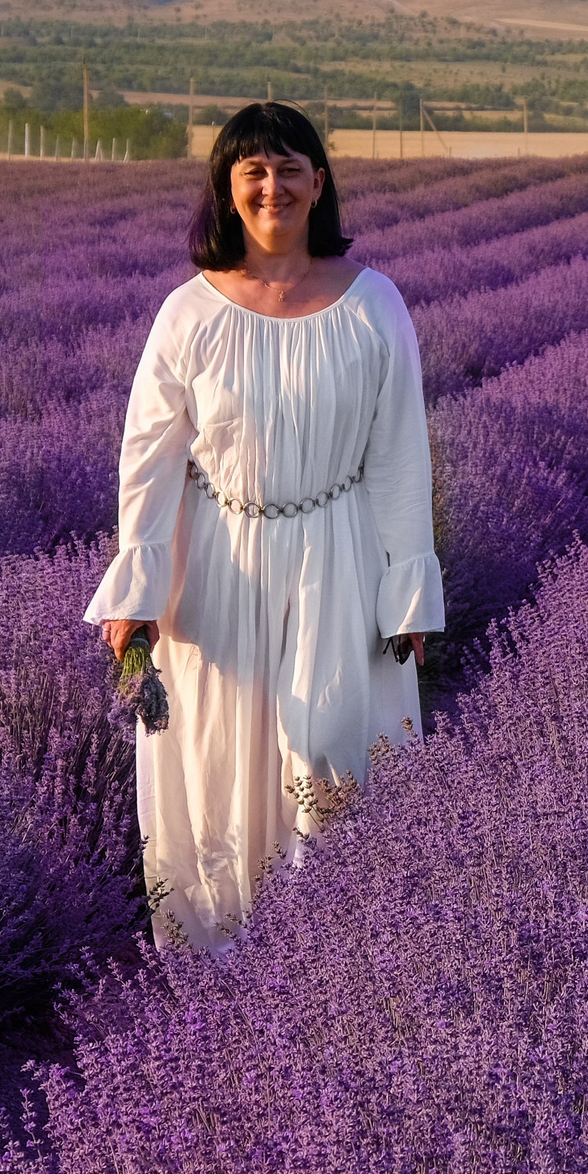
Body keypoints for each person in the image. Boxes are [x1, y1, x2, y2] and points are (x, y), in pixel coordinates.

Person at [86, 102, 442, 953]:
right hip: (218, 563)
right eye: (253, 172)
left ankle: (336, 956)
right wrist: (137, 587)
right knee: (220, 767)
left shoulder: (374, 304)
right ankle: (227, 970)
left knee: (329, 751)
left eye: (289, 169)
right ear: (227, 189)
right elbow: (149, 456)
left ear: (319, 184)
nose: (272, 187)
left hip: (338, 554)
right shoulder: (188, 314)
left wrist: (409, 589)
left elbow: (400, 453)